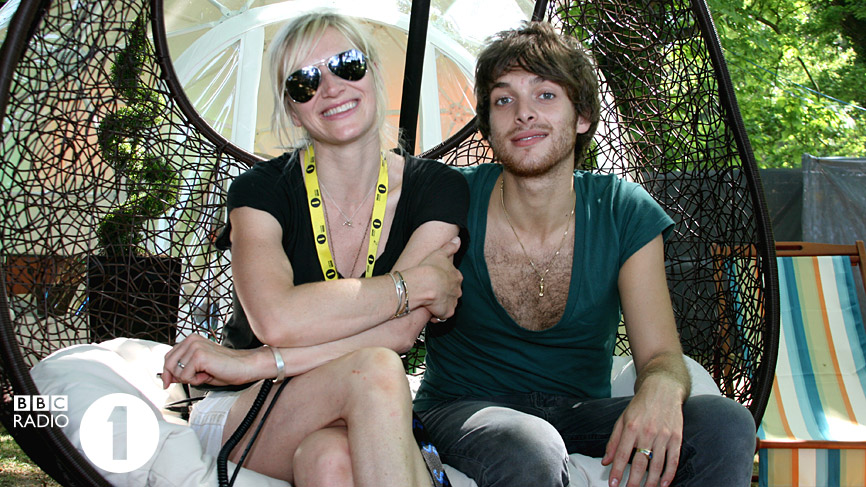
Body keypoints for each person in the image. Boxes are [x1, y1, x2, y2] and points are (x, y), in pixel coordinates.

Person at [413, 21, 757, 487]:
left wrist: (660, 385)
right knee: (528, 445)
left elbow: (660, 354)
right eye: (504, 99)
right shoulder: (451, 200)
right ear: (487, 127)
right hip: (461, 410)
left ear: (582, 117)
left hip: (580, 412)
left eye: (546, 95)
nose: (523, 114)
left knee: (725, 423)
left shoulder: (623, 210)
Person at [161, 11, 468, 487]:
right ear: (290, 108)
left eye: (347, 63)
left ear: (374, 72)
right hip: (251, 402)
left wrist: (258, 359)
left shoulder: (438, 189)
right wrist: (417, 283)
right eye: (304, 81)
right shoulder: (258, 191)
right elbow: (276, 320)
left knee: (330, 461)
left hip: (315, 390)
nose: (330, 87)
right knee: (375, 367)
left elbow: (401, 332)